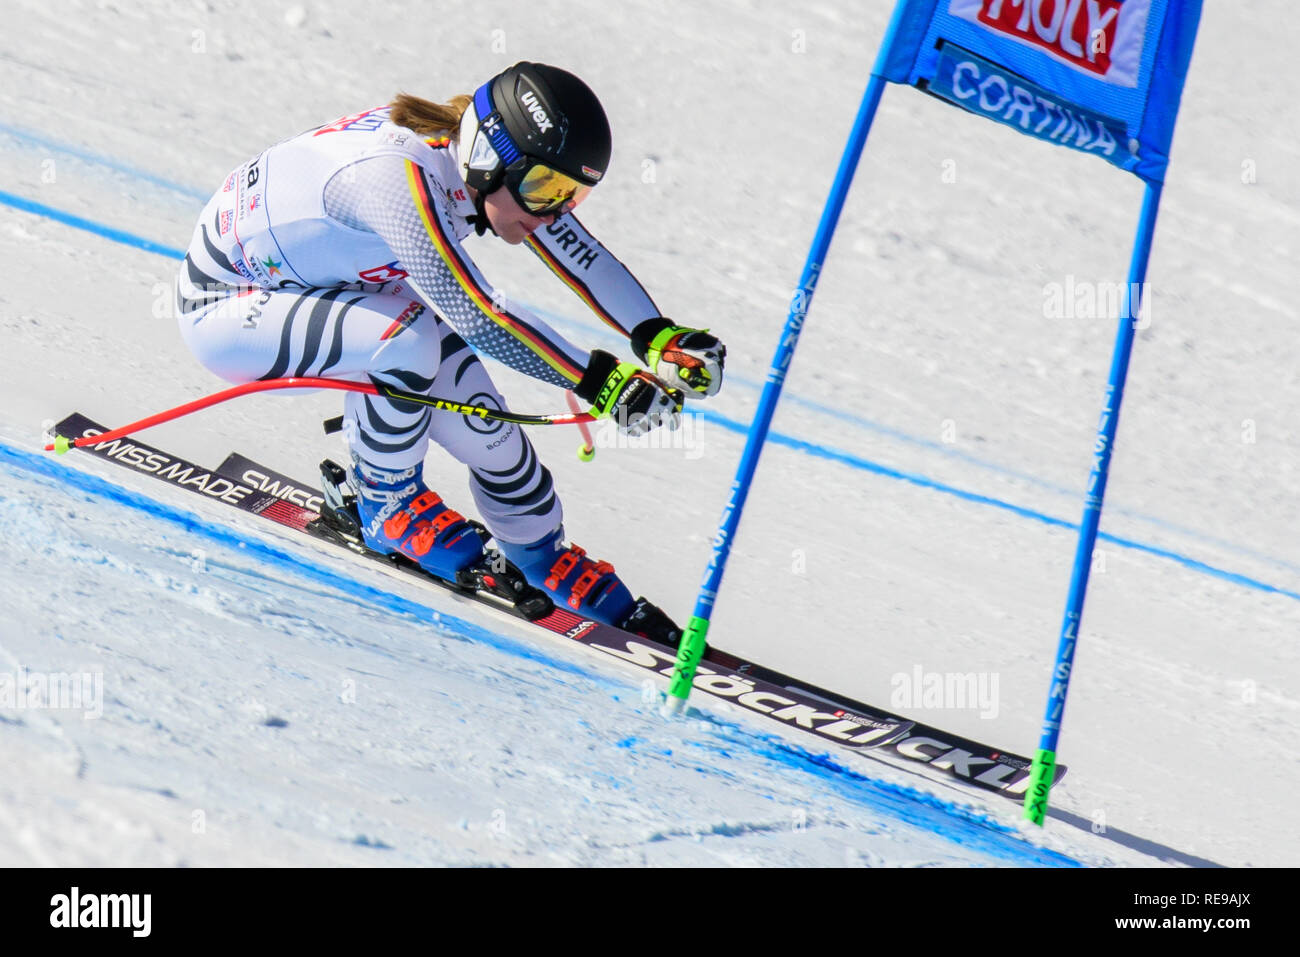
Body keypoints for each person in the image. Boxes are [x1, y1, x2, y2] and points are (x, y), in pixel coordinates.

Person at [173, 61, 726, 638]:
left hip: (340, 284)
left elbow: (573, 250)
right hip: (231, 306)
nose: (555, 209)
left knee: (496, 439)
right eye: (544, 189)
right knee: (405, 342)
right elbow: (476, 311)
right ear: (489, 158)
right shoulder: (394, 178)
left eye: (572, 193)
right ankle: (385, 506)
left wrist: (657, 336)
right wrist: (604, 383)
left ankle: (538, 556)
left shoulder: (476, 163)